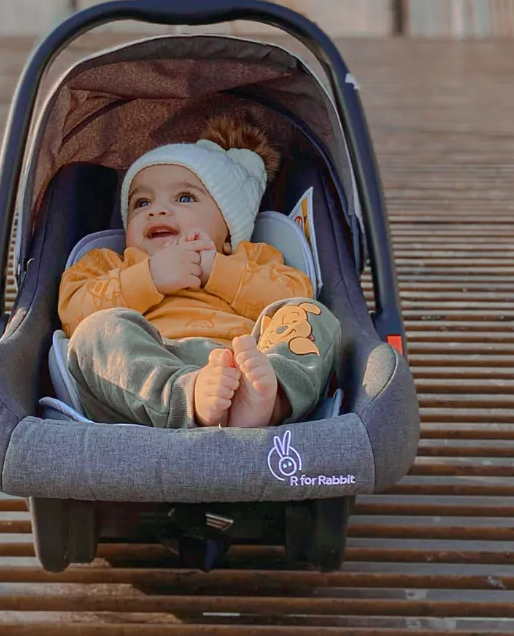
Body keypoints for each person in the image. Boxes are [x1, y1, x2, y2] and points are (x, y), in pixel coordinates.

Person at [57, 115, 341, 429]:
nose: (157, 210)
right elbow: (73, 312)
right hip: (148, 377)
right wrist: (148, 277)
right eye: (141, 202)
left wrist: (218, 272)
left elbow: (295, 295)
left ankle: (268, 401)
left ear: (230, 230)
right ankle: (189, 399)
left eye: (184, 198)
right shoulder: (111, 263)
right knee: (97, 330)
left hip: (243, 364)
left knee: (310, 312)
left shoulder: (251, 257)